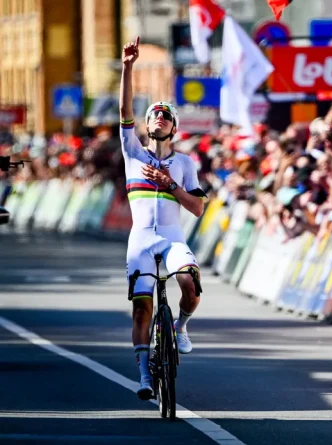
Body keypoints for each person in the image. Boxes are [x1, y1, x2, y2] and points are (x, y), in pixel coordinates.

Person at [120, 37, 207, 400]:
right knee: (142, 309)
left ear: (173, 128)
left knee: (190, 284)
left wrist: (170, 184)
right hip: (140, 240)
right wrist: (127, 67)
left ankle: (181, 326)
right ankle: (144, 376)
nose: (159, 116)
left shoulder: (184, 163)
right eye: (154, 113)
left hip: (172, 238)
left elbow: (197, 208)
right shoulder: (133, 153)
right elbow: (124, 110)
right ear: (146, 124)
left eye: (166, 115)